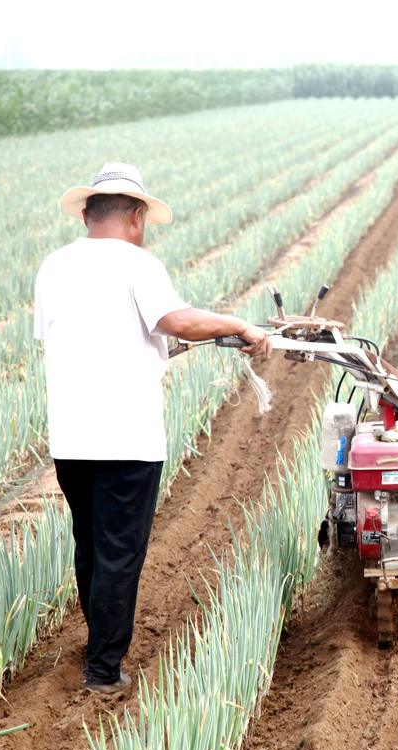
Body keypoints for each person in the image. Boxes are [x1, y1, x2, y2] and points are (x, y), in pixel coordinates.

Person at [35, 162, 271, 694]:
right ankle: (102, 669)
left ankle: (99, 638)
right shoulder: (138, 264)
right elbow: (178, 321)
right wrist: (237, 325)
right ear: (136, 216)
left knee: (92, 543)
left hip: (71, 438)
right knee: (121, 550)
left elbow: (83, 336)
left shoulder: (53, 266)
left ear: (89, 212)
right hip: (128, 438)